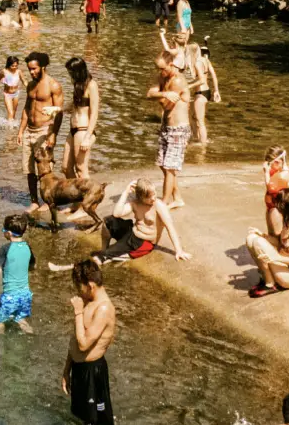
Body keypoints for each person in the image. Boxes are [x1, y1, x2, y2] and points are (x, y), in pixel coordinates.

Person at [53, 178, 191, 267]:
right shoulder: (135, 203)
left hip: (143, 243)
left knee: (100, 258)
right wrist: (125, 192)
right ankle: (105, 250)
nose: (154, 198)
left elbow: (170, 227)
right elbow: (117, 214)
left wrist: (178, 251)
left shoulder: (159, 206)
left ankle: (71, 266)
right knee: (108, 222)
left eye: (155, 194)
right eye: (150, 197)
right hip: (133, 233)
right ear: (141, 197)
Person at [61, 257, 117, 425]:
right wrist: (66, 369)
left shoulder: (104, 309)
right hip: (79, 369)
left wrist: (77, 313)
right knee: (82, 416)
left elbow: (84, 344)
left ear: (91, 285)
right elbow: (75, 338)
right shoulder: (88, 300)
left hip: (93, 372)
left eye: (80, 288)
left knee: (98, 423)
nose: (78, 292)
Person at [245, 188, 289, 297]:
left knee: (258, 243)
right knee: (251, 238)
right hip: (282, 266)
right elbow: (280, 243)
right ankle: (267, 280)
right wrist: (262, 235)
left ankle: (270, 285)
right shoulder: (287, 222)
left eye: (279, 203)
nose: (276, 206)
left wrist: (275, 258)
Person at [22, 52, 64, 211]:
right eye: (29, 69)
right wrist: (20, 131)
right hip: (29, 131)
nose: (31, 72)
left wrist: (53, 134)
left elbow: (59, 112)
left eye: (34, 69)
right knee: (29, 169)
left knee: (45, 169)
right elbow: (26, 109)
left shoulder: (54, 85)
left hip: (45, 130)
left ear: (43, 67)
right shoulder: (31, 85)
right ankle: (34, 201)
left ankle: (49, 201)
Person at [147, 55, 189, 207]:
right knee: (162, 164)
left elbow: (165, 105)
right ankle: (177, 197)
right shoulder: (162, 77)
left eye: (163, 69)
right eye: (158, 69)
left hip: (178, 129)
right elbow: (149, 94)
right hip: (166, 127)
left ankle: (164, 203)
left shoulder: (178, 81)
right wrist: (163, 93)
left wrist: (159, 94)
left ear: (171, 64)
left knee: (170, 167)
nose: (160, 72)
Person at [0, 213, 34, 333]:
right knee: (21, 320)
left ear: (8, 233)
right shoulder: (28, 247)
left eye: (3, 230)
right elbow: (32, 266)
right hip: (26, 295)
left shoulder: (5, 249)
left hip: (10, 296)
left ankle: (0, 338)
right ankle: (31, 334)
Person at [63, 57, 100, 184]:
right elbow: (74, 105)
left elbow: (94, 113)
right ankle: (76, 197)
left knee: (81, 169)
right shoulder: (78, 85)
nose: (70, 75)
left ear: (78, 71)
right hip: (73, 130)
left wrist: (87, 137)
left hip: (83, 131)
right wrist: (57, 109)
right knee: (66, 168)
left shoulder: (92, 85)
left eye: (71, 72)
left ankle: (86, 200)